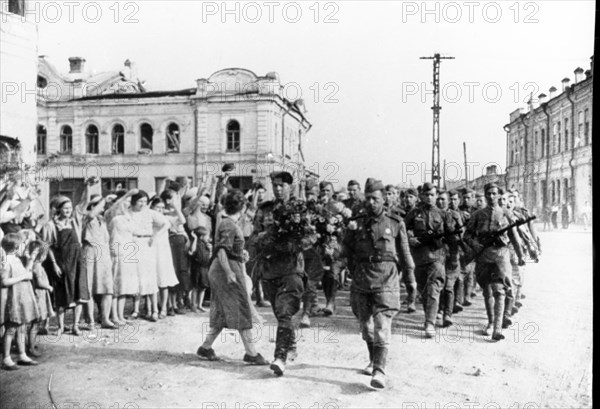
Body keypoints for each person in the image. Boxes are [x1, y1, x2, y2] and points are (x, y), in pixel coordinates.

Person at [341, 178, 414, 389]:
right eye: (368, 198)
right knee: (366, 327)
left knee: (382, 325)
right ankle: (374, 359)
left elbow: (405, 254)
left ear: (383, 199)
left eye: (375, 199)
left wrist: (411, 283)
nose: (371, 203)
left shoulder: (395, 222)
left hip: (387, 278)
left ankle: (379, 370)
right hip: (362, 279)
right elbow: (346, 250)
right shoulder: (357, 222)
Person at [196, 189, 269, 365]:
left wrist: (240, 253)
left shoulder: (226, 222)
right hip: (225, 269)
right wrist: (229, 272)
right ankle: (251, 353)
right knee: (241, 307)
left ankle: (205, 348)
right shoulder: (229, 224)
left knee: (222, 310)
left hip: (225, 266)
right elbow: (221, 250)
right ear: (243, 207)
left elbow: (227, 248)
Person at [255, 171, 316, 376]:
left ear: (290, 186)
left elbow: (311, 236)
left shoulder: (300, 208)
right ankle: (290, 345)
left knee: (284, 311)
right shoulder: (265, 210)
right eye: (275, 185)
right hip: (270, 269)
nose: (278, 189)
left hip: (291, 267)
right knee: (278, 311)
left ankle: (279, 357)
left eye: (282, 185)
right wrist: (266, 238)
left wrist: (293, 245)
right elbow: (255, 236)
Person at [464, 183, 524, 341]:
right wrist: (475, 245)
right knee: (487, 290)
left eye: (494, 194)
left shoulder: (506, 214)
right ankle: (490, 322)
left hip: (501, 255)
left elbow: (513, 236)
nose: (491, 196)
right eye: (488, 193)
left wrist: (520, 254)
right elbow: (467, 235)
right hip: (483, 255)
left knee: (500, 290)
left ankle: (497, 328)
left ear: (499, 196)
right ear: (485, 195)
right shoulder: (478, 215)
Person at [405, 183, 458, 338]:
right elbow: (402, 230)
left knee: (433, 289)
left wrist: (454, 258)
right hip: (418, 258)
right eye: (426, 195)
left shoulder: (444, 215)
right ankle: (430, 316)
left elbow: (452, 238)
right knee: (423, 291)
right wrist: (410, 239)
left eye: (432, 195)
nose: (429, 198)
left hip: (437, 257)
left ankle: (430, 322)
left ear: (436, 196)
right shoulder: (414, 213)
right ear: (421, 196)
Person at [42, 195, 89, 336]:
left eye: (70, 208)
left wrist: (87, 187)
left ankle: (75, 326)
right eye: (65, 208)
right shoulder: (50, 225)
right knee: (61, 295)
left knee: (79, 293)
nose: (68, 210)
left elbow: (84, 203)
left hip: (77, 261)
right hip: (61, 261)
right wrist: (54, 264)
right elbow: (47, 246)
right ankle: (60, 326)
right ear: (58, 209)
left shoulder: (75, 221)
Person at [1, 233, 40, 370]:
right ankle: (6, 358)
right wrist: (24, 276)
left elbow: (26, 272)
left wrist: (31, 260)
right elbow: (4, 281)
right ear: (16, 247)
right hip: (14, 299)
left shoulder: (17, 260)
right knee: (11, 328)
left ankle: (22, 354)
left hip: (22, 298)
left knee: (21, 327)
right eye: (23, 244)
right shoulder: (6, 262)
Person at [127, 191, 168, 322]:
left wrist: (155, 236)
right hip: (133, 244)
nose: (143, 204)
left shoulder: (150, 213)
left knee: (150, 277)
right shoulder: (128, 212)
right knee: (136, 277)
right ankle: (136, 309)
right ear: (133, 201)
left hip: (147, 244)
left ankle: (155, 310)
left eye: (145, 201)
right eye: (140, 201)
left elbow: (166, 224)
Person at [81, 194, 115, 329]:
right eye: (99, 205)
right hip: (90, 252)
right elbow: (91, 214)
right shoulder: (86, 218)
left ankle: (105, 318)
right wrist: (102, 200)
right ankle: (90, 321)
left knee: (107, 288)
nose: (102, 207)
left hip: (104, 255)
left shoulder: (103, 219)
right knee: (89, 287)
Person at [149, 197, 180, 318]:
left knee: (164, 280)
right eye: (158, 207)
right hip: (151, 250)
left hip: (163, 251)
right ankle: (153, 309)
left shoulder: (166, 218)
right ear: (152, 207)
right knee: (152, 280)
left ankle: (163, 308)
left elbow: (177, 221)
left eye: (162, 207)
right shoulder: (148, 217)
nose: (160, 210)